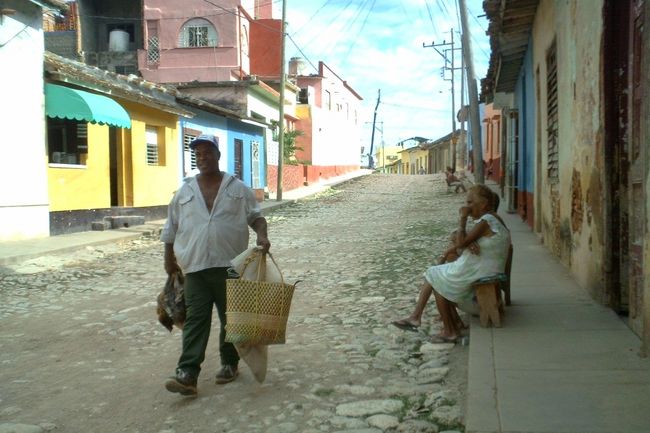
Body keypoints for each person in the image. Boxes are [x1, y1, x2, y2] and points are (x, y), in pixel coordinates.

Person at [160, 134, 271, 397]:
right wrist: (168, 258)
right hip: (195, 266)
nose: (202, 158)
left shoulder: (238, 189)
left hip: (231, 264)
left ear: (218, 155)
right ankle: (187, 373)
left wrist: (262, 235)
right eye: (197, 154)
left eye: (207, 152)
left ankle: (229, 363)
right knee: (196, 320)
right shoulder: (184, 192)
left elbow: (256, 217)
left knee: (230, 319)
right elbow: (170, 228)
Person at [392, 187, 509, 342]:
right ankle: (423, 319)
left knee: (436, 279)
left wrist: (462, 218)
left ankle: (445, 329)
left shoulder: (486, 221)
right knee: (437, 274)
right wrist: (468, 242)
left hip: (481, 272)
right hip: (484, 269)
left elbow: (460, 243)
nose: (467, 206)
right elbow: (464, 242)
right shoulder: (493, 219)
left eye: (470, 202)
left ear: (483, 204)